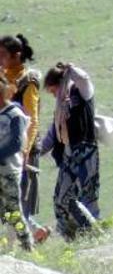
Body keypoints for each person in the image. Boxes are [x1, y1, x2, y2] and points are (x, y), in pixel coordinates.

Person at [41, 63, 100, 241]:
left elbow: (84, 78)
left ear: (61, 84)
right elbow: (53, 135)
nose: (53, 95)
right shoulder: (60, 108)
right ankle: (70, 238)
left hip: (85, 153)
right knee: (61, 199)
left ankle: (93, 235)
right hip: (68, 156)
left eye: (53, 90)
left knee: (87, 196)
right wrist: (34, 153)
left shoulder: (81, 92)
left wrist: (70, 68)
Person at [0, 35, 50, 243]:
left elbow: (32, 118)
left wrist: (25, 150)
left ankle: (21, 244)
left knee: (17, 199)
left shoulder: (28, 82)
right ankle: (34, 232)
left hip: (20, 149)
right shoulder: (3, 78)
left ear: (16, 56)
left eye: (2, 55)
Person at [0, 74, 34, 251]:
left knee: (14, 211)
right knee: (4, 213)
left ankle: (27, 245)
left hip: (9, 171)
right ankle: (8, 247)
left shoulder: (15, 115)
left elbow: (16, 143)